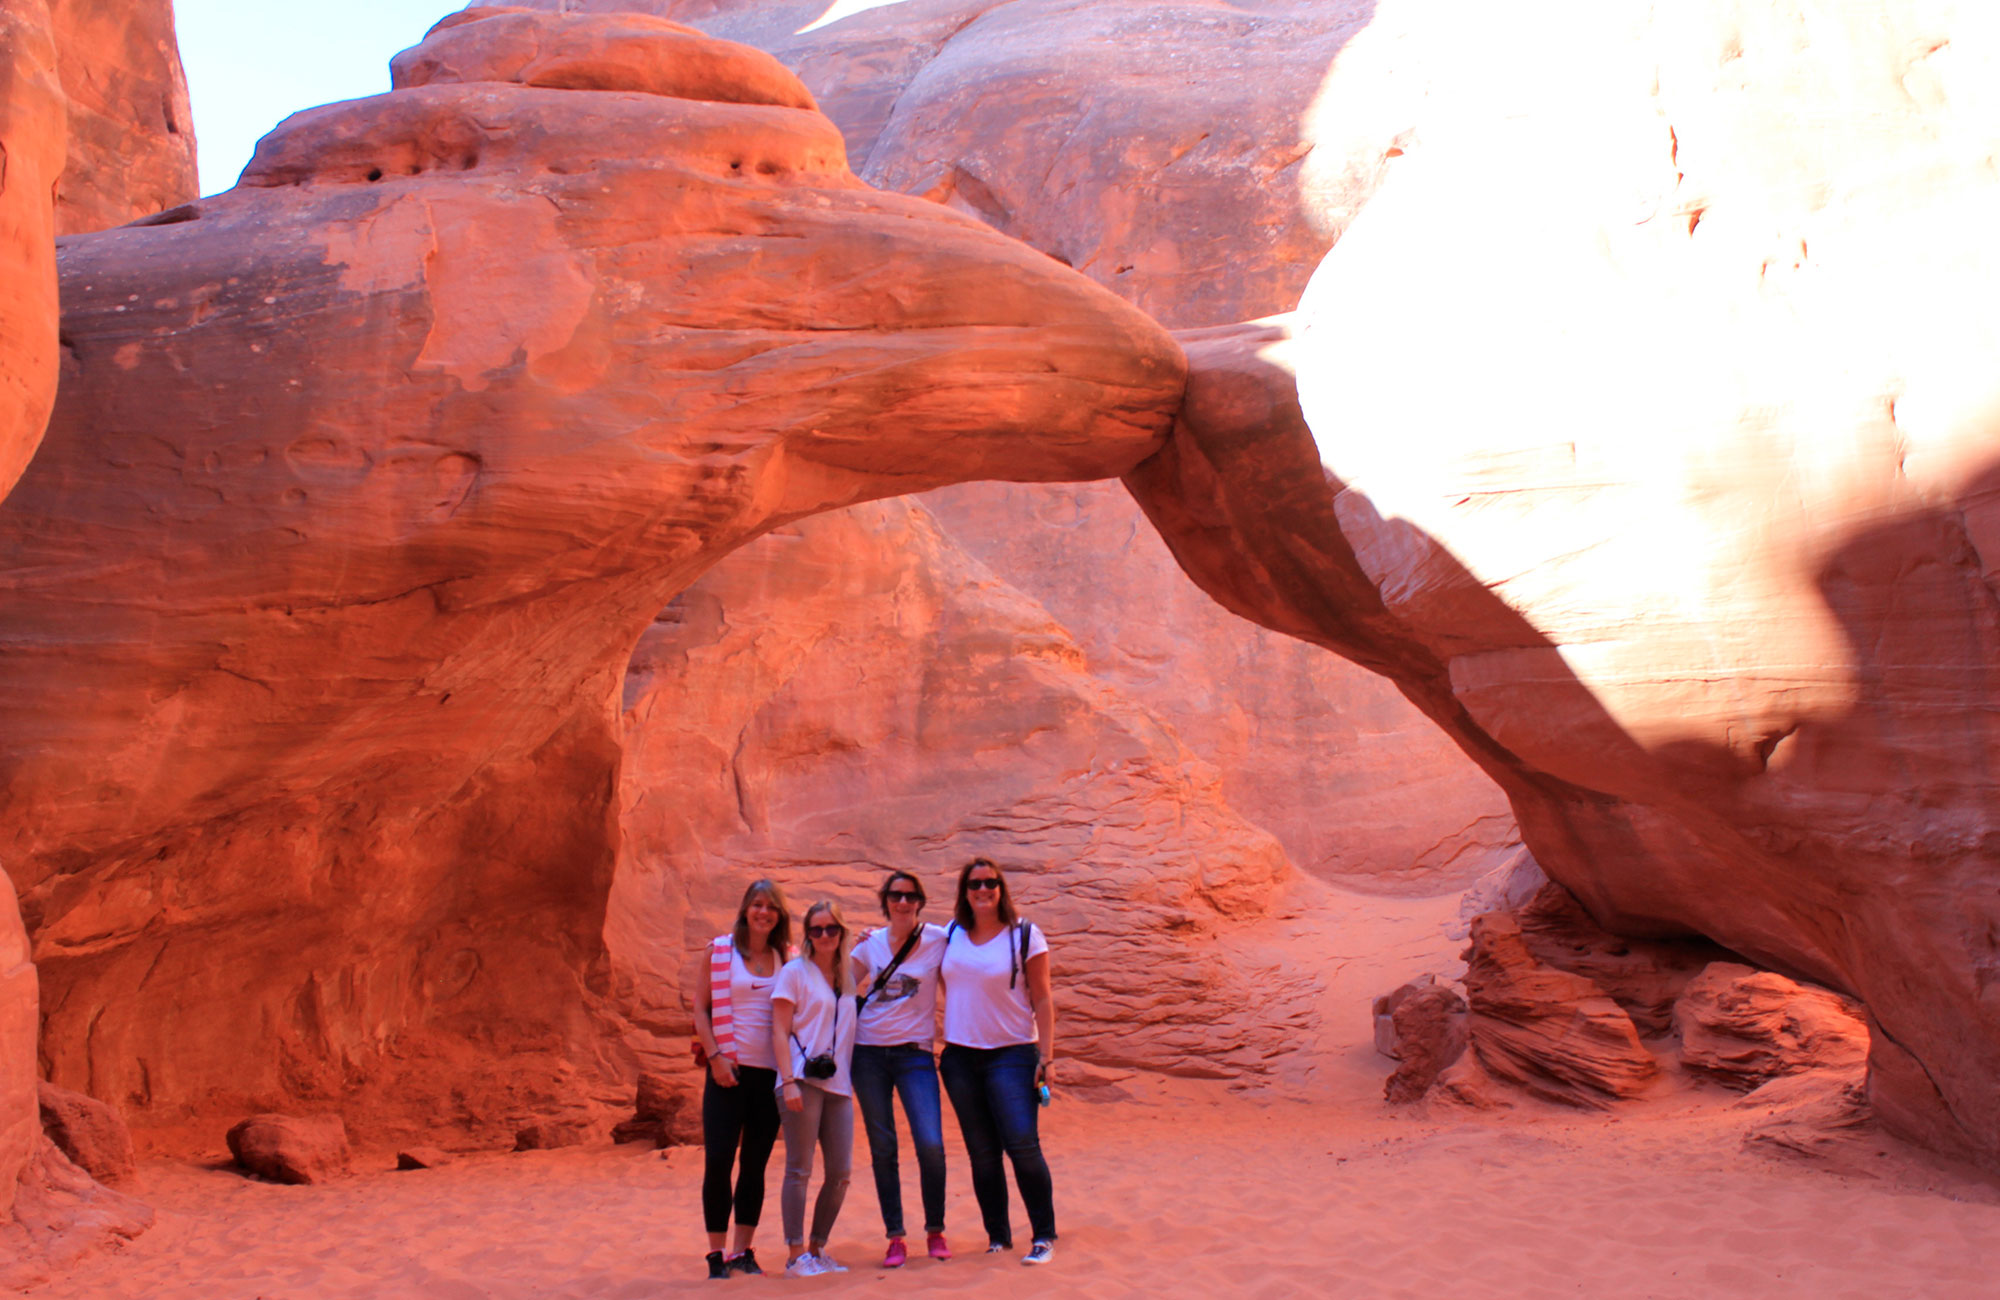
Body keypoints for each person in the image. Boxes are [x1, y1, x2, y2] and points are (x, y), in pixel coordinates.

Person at [938, 858, 1057, 1266]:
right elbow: (909, 947)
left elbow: (1042, 997)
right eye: (974, 884)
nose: (983, 889)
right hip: (959, 1057)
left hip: (1012, 1054)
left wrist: (1047, 1056)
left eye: (990, 883)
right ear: (964, 891)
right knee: (982, 1152)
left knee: (1022, 1145)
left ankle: (1042, 1235)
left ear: (1001, 888)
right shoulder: (951, 933)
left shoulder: (1025, 935)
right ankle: (998, 1237)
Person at [692, 879, 794, 1280]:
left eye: (771, 906)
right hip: (726, 1073)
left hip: (767, 1076)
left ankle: (742, 1251)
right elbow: (701, 1009)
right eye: (756, 904)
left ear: (779, 915)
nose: (763, 912)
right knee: (718, 1160)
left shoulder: (787, 958)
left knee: (755, 1164)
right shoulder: (719, 951)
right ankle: (716, 1254)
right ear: (745, 909)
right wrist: (715, 1058)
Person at [850, 870, 952, 1268]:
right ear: (886, 901)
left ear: (919, 901)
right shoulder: (870, 944)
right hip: (868, 1054)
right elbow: (840, 986)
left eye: (910, 896)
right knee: (883, 1147)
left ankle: (935, 1230)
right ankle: (895, 1236)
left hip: (915, 1055)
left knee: (930, 1143)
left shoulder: (939, 939)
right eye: (896, 895)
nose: (903, 902)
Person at [770, 899, 862, 1276]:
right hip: (801, 1081)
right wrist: (788, 1080)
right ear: (807, 934)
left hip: (839, 1085)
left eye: (831, 929)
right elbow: (778, 1028)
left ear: (841, 932)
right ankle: (795, 1256)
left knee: (840, 1171)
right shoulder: (795, 972)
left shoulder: (847, 976)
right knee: (800, 1168)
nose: (824, 936)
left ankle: (816, 1247)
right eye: (816, 929)